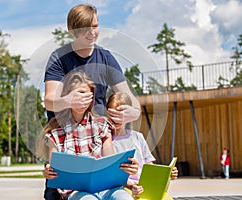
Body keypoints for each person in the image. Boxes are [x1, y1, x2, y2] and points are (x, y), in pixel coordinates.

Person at [43, 3, 141, 199]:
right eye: (85, 29)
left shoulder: (106, 58)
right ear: (73, 30)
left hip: (96, 137)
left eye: (95, 26)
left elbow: (133, 103)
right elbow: (49, 100)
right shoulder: (59, 58)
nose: (92, 33)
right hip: (66, 140)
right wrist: (69, 101)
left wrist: (131, 112)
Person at [42, 71, 136, 200]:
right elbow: (54, 170)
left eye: (86, 95)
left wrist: (127, 169)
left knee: (123, 198)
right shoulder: (55, 132)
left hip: (106, 189)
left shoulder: (102, 125)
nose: (82, 100)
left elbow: (111, 163)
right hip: (76, 192)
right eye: (77, 95)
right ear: (67, 96)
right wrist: (48, 172)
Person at [106, 92, 178, 198]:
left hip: (144, 186)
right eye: (113, 114)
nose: (116, 118)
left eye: (120, 114)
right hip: (123, 188)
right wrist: (131, 185)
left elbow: (150, 167)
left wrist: (167, 174)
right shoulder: (107, 141)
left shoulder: (138, 137)